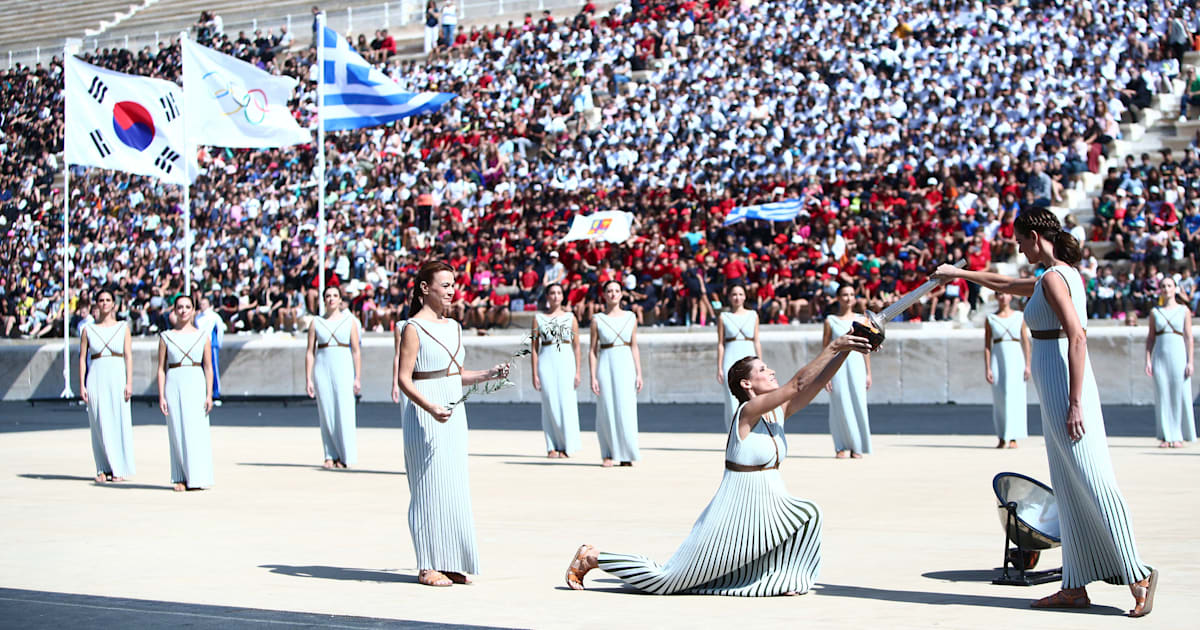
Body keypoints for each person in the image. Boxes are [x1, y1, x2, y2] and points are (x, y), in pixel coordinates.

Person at [933, 208, 1158, 617]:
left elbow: (1077, 335)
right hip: (1056, 390)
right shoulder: (1053, 275)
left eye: (1020, 239)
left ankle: (1136, 572)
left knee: (1093, 481)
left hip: (1067, 392)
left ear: (1036, 236)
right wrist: (959, 274)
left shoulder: (1055, 278)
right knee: (1068, 487)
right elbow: (1004, 282)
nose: (1018, 247)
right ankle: (1074, 585)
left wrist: (1075, 402)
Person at [564, 332, 874, 595]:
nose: (771, 372)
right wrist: (834, 345)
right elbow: (796, 384)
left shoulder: (776, 413)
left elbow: (813, 385)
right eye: (763, 370)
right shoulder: (748, 412)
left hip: (769, 504)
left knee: (808, 514)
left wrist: (847, 351)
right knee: (666, 581)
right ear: (747, 385)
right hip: (734, 509)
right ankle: (593, 557)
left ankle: (781, 579)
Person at [396, 261, 511, 587]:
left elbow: (456, 375)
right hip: (424, 415)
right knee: (427, 490)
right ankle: (426, 564)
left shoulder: (455, 327)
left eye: (452, 285)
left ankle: (450, 561)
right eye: (445, 285)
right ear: (424, 288)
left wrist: (488, 374)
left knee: (453, 487)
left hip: (453, 414)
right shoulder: (412, 329)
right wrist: (429, 406)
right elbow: (404, 379)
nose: (451, 291)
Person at [156, 295, 214, 492]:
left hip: (195, 381)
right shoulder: (166, 337)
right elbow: (161, 369)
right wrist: (161, 395)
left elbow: (208, 367)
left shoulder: (202, 335)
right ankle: (180, 477)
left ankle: (198, 476)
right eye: (180, 307)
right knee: (177, 429)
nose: (183, 311)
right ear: (174, 310)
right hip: (174, 381)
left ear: (193, 310)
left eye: (187, 307)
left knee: (196, 430)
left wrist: (209, 394)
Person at [78, 290, 134, 483]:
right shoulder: (88, 329)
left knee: (118, 420)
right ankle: (103, 467)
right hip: (96, 375)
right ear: (96, 305)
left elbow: (128, 355)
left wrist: (129, 382)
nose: (104, 303)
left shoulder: (122, 327)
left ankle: (119, 467)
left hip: (117, 374)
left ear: (113, 304)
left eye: (108, 300)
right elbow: (82, 358)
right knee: (98, 421)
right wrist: (82, 384)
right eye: (101, 300)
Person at [305, 286, 362, 469]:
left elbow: (356, 351)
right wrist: (308, 378)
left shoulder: (349, 321)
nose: (331, 299)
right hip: (322, 367)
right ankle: (330, 454)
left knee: (344, 410)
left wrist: (357, 377)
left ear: (340, 300)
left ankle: (346, 455)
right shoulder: (316, 322)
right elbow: (309, 352)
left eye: (335, 296)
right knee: (327, 412)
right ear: (323, 300)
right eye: (328, 296)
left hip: (343, 366)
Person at [589, 280, 642, 467]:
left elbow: (634, 346)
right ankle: (608, 453)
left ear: (621, 294)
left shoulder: (631, 317)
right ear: (604, 295)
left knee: (626, 410)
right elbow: (593, 350)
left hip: (626, 364)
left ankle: (627, 453)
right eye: (609, 291)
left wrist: (639, 373)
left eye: (616, 291)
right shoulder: (597, 319)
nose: (613, 294)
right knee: (607, 409)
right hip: (606, 364)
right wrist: (593, 376)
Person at [1144, 276, 1196, 449]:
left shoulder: (1184, 310)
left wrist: (1190, 361)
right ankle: (1166, 435)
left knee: (1179, 394)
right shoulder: (1155, 312)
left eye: (1169, 286)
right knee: (1163, 395)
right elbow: (1150, 338)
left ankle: (1178, 435)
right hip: (1160, 355)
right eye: (1163, 286)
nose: (1166, 289)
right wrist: (1148, 360)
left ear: (1175, 288)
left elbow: (1189, 337)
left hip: (1179, 354)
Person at [531, 284, 581, 458]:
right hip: (547, 360)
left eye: (559, 293)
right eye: (552, 293)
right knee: (550, 402)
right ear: (547, 296)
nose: (555, 296)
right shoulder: (538, 318)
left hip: (566, 360)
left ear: (562, 296)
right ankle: (551, 445)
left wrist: (578, 371)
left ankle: (567, 445)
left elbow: (576, 346)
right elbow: (534, 348)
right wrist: (534, 373)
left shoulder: (570, 318)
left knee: (566, 403)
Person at [823, 284, 871, 458]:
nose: (848, 298)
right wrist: (824, 375)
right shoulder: (830, 320)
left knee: (858, 403)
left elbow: (866, 347)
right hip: (836, 366)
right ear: (838, 297)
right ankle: (841, 446)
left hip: (856, 364)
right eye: (844, 294)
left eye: (851, 294)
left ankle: (857, 447)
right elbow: (826, 349)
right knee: (840, 403)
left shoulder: (861, 319)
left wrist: (868, 373)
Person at [984, 292, 1031, 448]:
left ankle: (1013, 437)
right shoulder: (991, 319)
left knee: (1015, 396)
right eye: (999, 294)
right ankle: (1002, 435)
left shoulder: (1019, 316)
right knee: (1000, 397)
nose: (1003, 297)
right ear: (996, 297)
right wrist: (988, 367)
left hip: (1016, 358)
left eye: (1006, 294)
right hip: (998, 357)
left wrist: (1028, 364)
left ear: (1011, 296)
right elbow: (987, 345)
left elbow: (1025, 341)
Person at [716, 285, 762, 429]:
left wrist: (761, 363)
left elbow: (756, 340)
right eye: (734, 294)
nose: (737, 297)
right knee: (732, 399)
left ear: (745, 296)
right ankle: (734, 432)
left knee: (752, 395)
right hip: (730, 356)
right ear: (729, 297)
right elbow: (720, 344)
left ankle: (751, 430)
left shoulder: (753, 315)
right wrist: (719, 367)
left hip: (749, 355)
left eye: (740, 294)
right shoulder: (724, 317)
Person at [195, 297, 226, 406]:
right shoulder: (198, 317)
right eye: (201, 303)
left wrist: (218, 344)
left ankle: (216, 393)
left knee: (213, 368)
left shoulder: (214, 317)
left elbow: (220, 330)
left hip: (212, 345)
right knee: (202, 369)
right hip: (200, 345)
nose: (202, 305)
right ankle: (205, 393)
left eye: (204, 303)